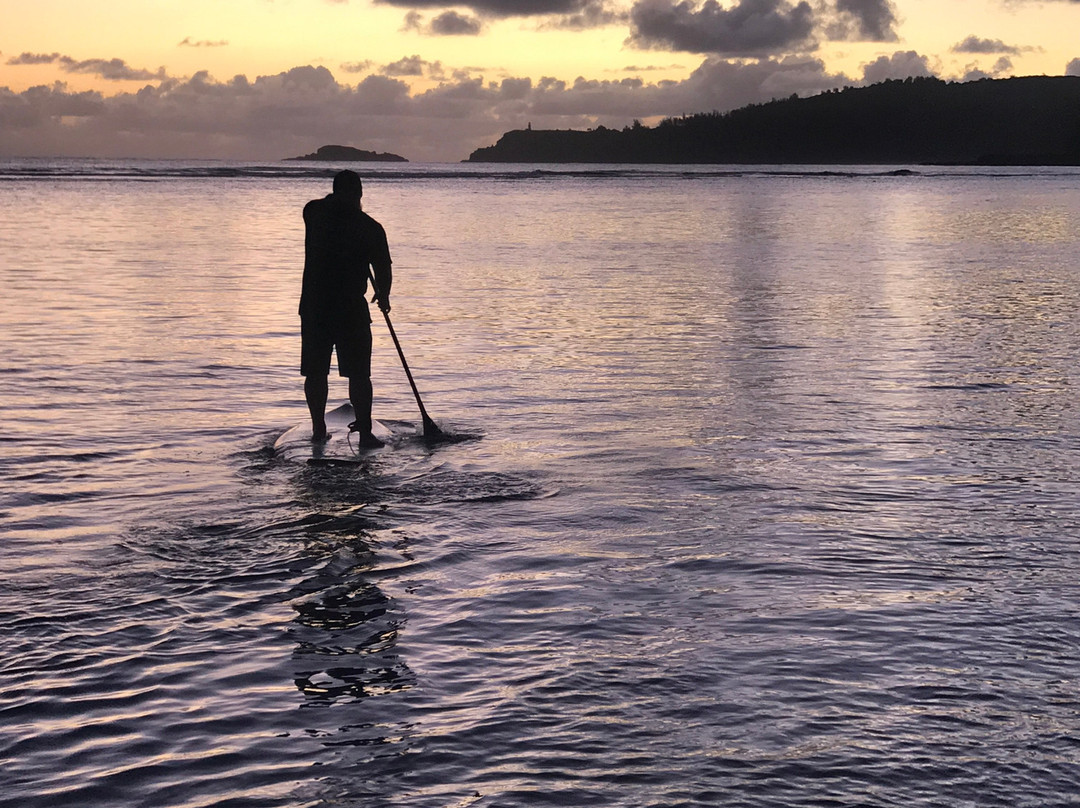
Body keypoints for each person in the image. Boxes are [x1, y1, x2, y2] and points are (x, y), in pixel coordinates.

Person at [299, 169, 392, 446]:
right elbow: (383, 270)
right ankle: (364, 433)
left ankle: (319, 430)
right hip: (350, 309)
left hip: (315, 307)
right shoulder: (370, 228)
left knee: (316, 372)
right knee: (359, 374)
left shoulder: (314, 213)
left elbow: (324, 206)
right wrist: (384, 296)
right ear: (359, 195)